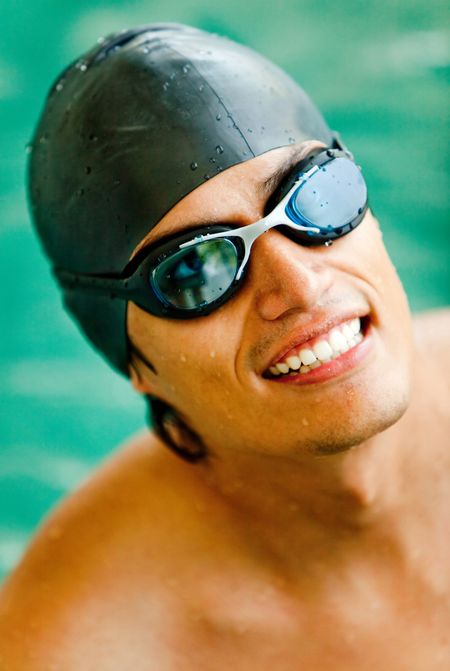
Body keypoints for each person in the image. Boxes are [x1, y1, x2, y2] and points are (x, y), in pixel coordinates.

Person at [0, 22, 449, 670]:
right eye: (193, 270)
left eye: (316, 198)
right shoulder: (79, 645)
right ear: (135, 362)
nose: (299, 283)